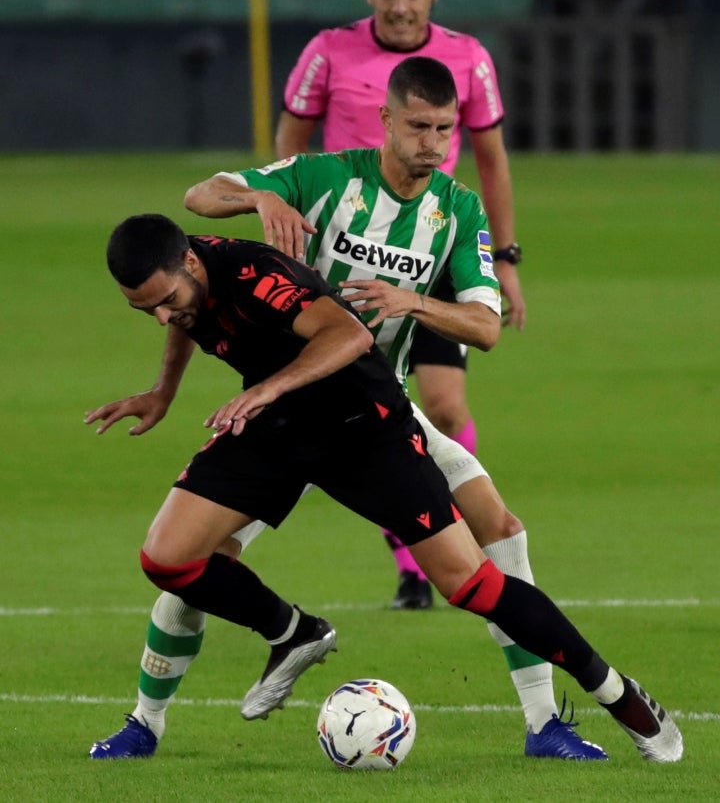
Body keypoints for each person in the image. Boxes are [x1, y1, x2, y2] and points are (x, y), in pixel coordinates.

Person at [88, 57, 602, 761]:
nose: (433, 141)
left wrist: (418, 303)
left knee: (500, 530)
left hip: (375, 409)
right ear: (386, 120)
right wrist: (256, 198)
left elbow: (484, 328)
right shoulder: (320, 176)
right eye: (419, 125)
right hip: (284, 408)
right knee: (198, 562)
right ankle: (145, 723)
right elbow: (201, 198)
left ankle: (545, 725)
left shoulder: (457, 210)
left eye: (444, 130)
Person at [88, 212, 682, 767]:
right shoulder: (186, 287)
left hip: (362, 427)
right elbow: (193, 318)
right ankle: (294, 632)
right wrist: (164, 391)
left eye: (165, 301)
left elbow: (348, 336)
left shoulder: (256, 276)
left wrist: (268, 388)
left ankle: (616, 692)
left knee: (470, 582)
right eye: (148, 311)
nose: (164, 317)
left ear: (190, 264)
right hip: (277, 428)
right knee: (166, 557)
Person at [275, 0, 526, 612]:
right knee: (356, 406)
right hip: (345, 253)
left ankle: (454, 540)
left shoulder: (467, 58)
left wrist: (503, 260)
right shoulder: (329, 50)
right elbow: (290, 144)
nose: (399, 5)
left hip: (432, 252)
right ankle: (415, 562)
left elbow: (493, 160)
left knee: (441, 406)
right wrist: (287, 225)